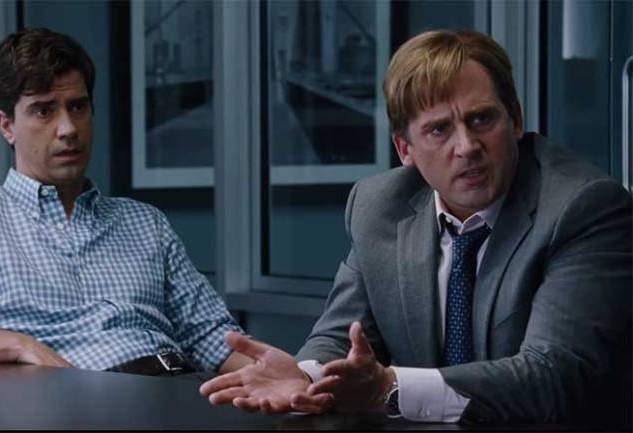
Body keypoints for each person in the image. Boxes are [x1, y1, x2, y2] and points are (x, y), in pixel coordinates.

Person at [200, 29, 632, 425]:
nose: (467, 147)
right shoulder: (378, 206)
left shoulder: (582, 207)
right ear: (404, 148)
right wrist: (307, 377)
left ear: (515, 120)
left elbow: (553, 376)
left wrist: (388, 386)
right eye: (439, 130)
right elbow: (343, 338)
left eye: (481, 119)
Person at [0, 27, 251, 377]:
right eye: (44, 111)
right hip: (73, 408)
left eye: (78, 107)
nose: (68, 129)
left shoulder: (145, 223)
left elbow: (211, 337)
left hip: (178, 391)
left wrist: (277, 376)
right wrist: (16, 345)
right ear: (6, 125)